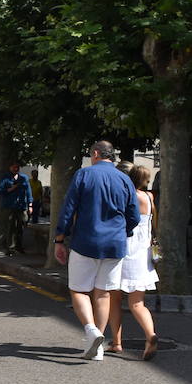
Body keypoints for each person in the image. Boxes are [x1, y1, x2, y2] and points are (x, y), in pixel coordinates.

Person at [53, 140, 140, 361]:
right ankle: (98, 346)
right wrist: (124, 232)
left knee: (79, 290)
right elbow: (134, 216)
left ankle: (91, 331)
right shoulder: (124, 179)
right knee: (103, 293)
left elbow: (68, 209)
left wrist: (59, 239)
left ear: (95, 154)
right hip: (115, 244)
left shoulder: (83, 175)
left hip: (86, 241)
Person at [108, 163, 160, 360]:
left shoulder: (129, 196)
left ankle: (116, 342)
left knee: (114, 299)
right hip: (143, 253)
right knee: (138, 303)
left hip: (126, 251)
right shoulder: (149, 196)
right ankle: (150, 334)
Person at [0, 162, 32, 255]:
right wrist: (11, 189)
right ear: (10, 167)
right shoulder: (5, 178)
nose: (16, 169)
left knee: (21, 227)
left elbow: (28, 191)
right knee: (10, 227)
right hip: (9, 206)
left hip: (21, 206)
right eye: (14, 167)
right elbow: (0, 190)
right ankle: (10, 248)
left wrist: (30, 204)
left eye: (17, 167)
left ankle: (19, 246)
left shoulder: (24, 178)